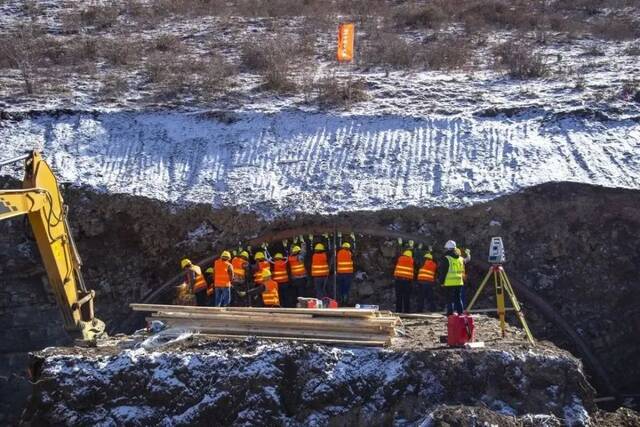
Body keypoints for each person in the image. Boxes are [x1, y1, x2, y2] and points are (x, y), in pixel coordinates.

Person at [437, 240, 465, 315]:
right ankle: (460, 314)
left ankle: (450, 315)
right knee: (458, 299)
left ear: (447, 249)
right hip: (459, 281)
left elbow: (443, 272)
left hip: (449, 282)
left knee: (449, 299)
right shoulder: (460, 258)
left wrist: (441, 282)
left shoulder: (447, 258)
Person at [336, 242, 354, 306]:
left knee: (341, 287)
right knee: (346, 288)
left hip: (340, 273)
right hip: (348, 274)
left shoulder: (339, 253)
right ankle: (345, 300)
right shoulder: (349, 253)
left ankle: (341, 299)